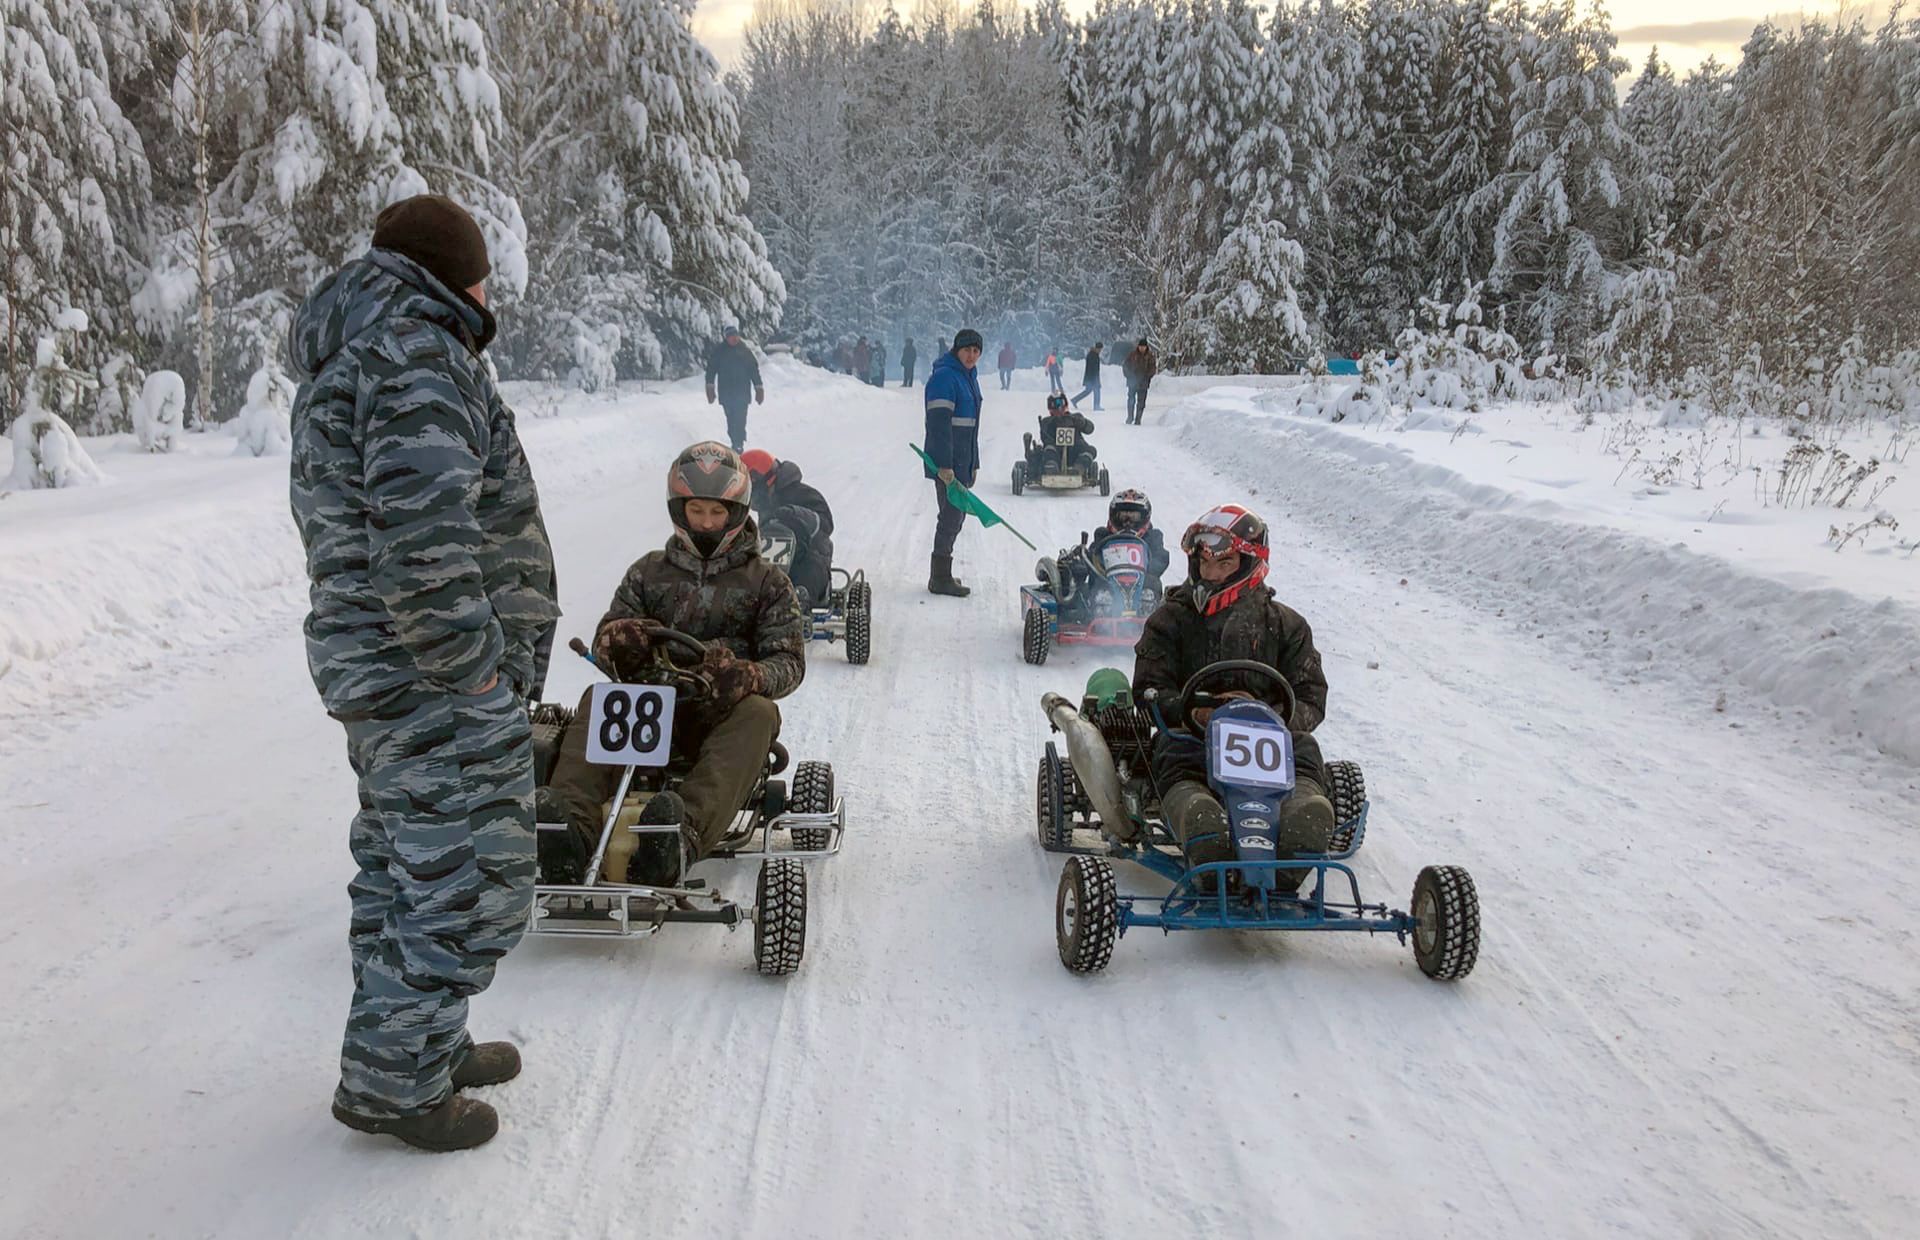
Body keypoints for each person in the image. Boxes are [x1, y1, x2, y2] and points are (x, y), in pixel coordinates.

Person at [288, 193, 559, 1152]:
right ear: (452, 276)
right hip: (433, 683)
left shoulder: (367, 349)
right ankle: (395, 1086)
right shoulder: (415, 355)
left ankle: (419, 1046)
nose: (492, 290)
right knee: (474, 882)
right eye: (482, 273)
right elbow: (426, 544)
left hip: (392, 677)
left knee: (406, 867)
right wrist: (478, 671)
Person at [544, 442, 806, 889]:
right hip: (649, 704)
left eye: (716, 513)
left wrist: (750, 675)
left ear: (737, 512)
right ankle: (569, 832)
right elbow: (606, 634)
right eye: (697, 511)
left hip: (718, 712)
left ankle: (676, 840)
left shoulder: (768, 582)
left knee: (760, 712)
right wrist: (620, 639)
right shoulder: (648, 572)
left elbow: (789, 661)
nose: (705, 523)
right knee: (599, 698)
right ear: (679, 510)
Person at [1131, 504, 1333, 890]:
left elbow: (1311, 698)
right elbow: (1149, 689)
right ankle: (1199, 822)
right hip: (1192, 738)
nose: (1210, 573)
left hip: (1274, 744)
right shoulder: (1170, 619)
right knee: (1171, 755)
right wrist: (1193, 710)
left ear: (1248, 565)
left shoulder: (1286, 626)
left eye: (1223, 564)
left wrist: (1272, 717)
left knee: (1305, 752)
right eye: (1204, 563)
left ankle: (1301, 820)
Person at [923, 328, 985, 598]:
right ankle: (939, 578)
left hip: (962, 462)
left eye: (976, 351)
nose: (971, 355)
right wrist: (944, 466)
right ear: (956, 350)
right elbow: (938, 425)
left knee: (955, 517)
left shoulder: (968, 377)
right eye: (967, 350)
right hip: (948, 463)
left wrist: (973, 463)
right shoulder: (945, 377)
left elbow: (971, 427)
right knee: (950, 517)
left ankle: (942, 574)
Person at [1040, 489, 1169, 609]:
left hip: (1142, 587)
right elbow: (1092, 558)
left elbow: (1161, 558)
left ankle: (1146, 611)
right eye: (1123, 517)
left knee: (1153, 583)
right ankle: (1102, 611)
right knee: (1095, 588)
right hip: (1107, 587)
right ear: (1113, 516)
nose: (1128, 523)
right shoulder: (1103, 535)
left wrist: (1147, 569)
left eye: (1134, 517)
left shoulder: (1153, 537)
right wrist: (1081, 564)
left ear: (1145, 518)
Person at [741, 449, 834, 608]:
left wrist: (795, 515)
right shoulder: (766, 506)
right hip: (773, 564)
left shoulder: (803, 493)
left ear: (760, 480)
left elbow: (826, 524)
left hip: (807, 555)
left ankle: (800, 604)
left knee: (810, 567)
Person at [705, 326, 764, 453]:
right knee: (731, 418)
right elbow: (711, 369)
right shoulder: (720, 351)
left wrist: (759, 388)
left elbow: (754, 370)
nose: (734, 338)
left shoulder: (745, 351)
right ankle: (734, 440)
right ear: (726, 338)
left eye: (736, 336)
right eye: (731, 336)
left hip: (742, 392)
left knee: (740, 418)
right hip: (726, 393)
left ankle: (739, 443)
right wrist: (710, 387)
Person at [1033, 391, 1097, 474]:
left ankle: (1079, 467)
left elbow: (1090, 429)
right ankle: (1052, 467)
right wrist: (1054, 422)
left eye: (1060, 403)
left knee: (1091, 450)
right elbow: (1044, 438)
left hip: (1075, 450)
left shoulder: (1076, 417)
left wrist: (1083, 423)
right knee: (1049, 449)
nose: (1059, 407)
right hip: (1056, 451)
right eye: (1054, 405)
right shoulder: (1047, 421)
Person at [1122, 338, 1156, 425]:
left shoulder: (1150, 356)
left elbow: (1153, 368)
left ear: (1146, 347)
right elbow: (1125, 365)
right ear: (1138, 346)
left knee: (1141, 402)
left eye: (1143, 346)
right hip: (1132, 381)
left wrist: (1147, 376)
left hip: (1143, 382)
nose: (1142, 348)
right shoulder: (1132, 355)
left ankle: (1138, 419)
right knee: (1131, 400)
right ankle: (1130, 417)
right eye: (1140, 346)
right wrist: (1129, 375)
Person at [1071, 342, 1104, 410]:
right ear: (1097, 348)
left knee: (1088, 391)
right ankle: (1096, 406)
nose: (1100, 351)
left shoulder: (1094, 354)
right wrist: (1095, 379)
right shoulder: (1092, 355)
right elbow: (1092, 368)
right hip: (1092, 377)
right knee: (1096, 390)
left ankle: (1075, 400)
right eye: (1100, 349)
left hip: (1092, 377)